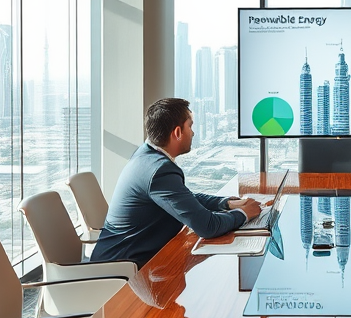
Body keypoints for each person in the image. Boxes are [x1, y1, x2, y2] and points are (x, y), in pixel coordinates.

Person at [90, 97, 262, 268]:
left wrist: (226, 203)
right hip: (123, 269)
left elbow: (184, 197)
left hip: (131, 259)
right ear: (178, 132)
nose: (193, 133)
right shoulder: (158, 170)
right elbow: (208, 226)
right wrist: (244, 213)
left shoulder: (146, 155)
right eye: (190, 126)